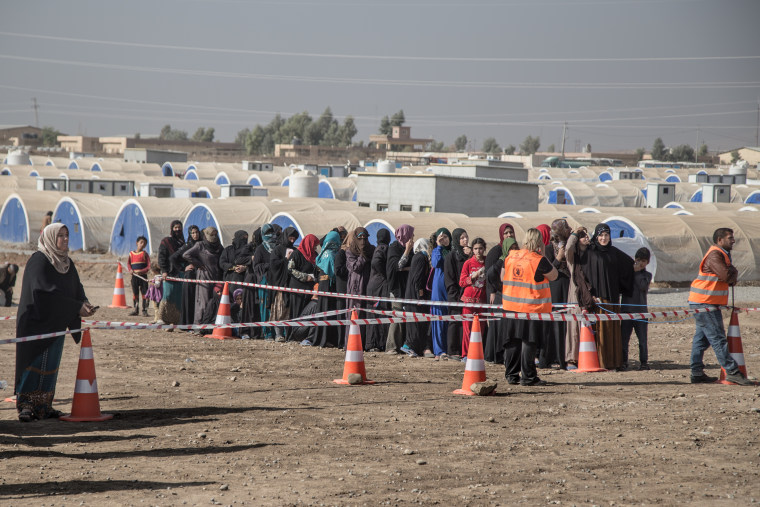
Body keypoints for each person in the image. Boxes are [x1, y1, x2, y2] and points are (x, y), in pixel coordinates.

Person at [15, 223, 97, 422]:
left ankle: (44, 406)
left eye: (67, 235)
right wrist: (75, 307)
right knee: (33, 363)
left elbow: (75, 287)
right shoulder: (39, 261)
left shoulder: (66, 263)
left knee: (51, 364)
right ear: (51, 238)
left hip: (56, 323)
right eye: (60, 235)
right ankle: (26, 405)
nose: (65, 239)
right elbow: (44, 294)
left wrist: (83, 302)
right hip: (36, 323)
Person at [688, 228, 752, 385]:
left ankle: (696, 373)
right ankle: (732, 371)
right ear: (719, 240)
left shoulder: (721, 254)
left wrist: (732, 273)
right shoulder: (715, 254)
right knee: (717, 337)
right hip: (705, 302)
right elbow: (726, 276)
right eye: (730, 238)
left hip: (704, 301)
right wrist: (733, 272)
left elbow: (729, 276)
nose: (733, 240)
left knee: (701, 339)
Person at [500, 228, 558, 386]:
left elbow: (502, 276)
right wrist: (544, 253)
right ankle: (528, 377)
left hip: (510, 306)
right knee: (528, 341)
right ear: (539, 242)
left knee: (512, 341)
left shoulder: (511, 256)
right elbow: (554, 276)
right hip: (530, 308)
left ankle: (511, 376)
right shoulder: (539, 259)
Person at [581, 224, 634, 371]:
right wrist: (590, 295)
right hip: (599, 299)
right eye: (601, 235)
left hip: (613, 298)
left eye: (607, 235)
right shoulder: (591, 252)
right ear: (596, 236)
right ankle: (602, 362)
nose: (604, 238)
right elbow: (585, 274)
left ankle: (615, 362)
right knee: (602, 330)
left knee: (613, 331)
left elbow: (629, 264)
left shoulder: (613, 252)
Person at [540, 219, 572, 370]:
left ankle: (566, 357)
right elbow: (548, 270)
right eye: (565, 228)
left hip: (568, 286)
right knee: (554, 323)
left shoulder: (571, 245)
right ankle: (552, 357)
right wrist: (559, 257)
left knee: (567, 322)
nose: (568, 229)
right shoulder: (547, 249)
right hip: (554, 288)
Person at [484, 224, 515, 363]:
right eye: (506, 233)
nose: (509, 235)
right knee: (496, 326)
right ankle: (493, 355)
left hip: (510, 294)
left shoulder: (514, 250)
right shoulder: (496, 251)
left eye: (511, 232)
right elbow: (489, 272)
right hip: (496, 294)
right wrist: (492, 290)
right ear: (501, 234)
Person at [564, 226, 593, 370]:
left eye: (587, 235)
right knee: (573, 328)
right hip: (575, 295)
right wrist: (575, 233)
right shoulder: (572, 258)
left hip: (590, 296)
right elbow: (568, 247)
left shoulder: (592, 254)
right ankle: (571, 359)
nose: (586, 237)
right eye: (583, 236)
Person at [183, 226, 223, 325]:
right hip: (204, 277)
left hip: (216, 277)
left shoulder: (218, 246)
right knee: (203, 303)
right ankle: (199, 325)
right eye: (211, 234)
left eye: (215, 234)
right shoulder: (200, 245)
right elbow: (186, 255)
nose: (214, 236)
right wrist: (198, 264)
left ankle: (210, 324)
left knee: (213, 301)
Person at [621, 247, 652, 370]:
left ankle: (644, 362)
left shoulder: (647, 275)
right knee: (624, 339)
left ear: (647, 262)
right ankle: (623, 361)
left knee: (642, 340)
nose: (641, 263)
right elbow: (622, 285)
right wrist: (631, 272)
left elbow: (643, 286)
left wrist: (638, 272)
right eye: (639, 260)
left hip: (641, 312)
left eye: (644, 261)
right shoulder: (627, 273)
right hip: (626, 311)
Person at [385, 224, 414, 354]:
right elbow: (396, 267)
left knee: (404, 317)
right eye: (411, 235)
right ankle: (391, 347)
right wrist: (407, 251)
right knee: (396, 317)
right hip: (396, 288)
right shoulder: (394, 248)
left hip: (406, 287)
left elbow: (411, 266)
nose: (412, 238)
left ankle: (401, 345)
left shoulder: (410, 249)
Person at [345, 227, 375, 348]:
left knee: (365, 313)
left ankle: (364, 342)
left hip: (368, 283)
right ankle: (351, 343)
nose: (362, 241)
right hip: (355, 285)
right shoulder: (350, 251)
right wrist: (363, 255)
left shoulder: (372, 249)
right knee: (354, 312)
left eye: (365, 238)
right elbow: (355, 267)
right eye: (360, 238)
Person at [401, 237, 431, 357]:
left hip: (412, 293)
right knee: (415, 321)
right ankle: (409, 346)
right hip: (415, 295)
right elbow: (418, 279)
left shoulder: (418, 257)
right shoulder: (421, 258)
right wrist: (420, 295)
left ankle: (413, 347)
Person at [313, 230, 343, 348]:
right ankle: (327, 339)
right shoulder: (332, 255)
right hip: (330, 288)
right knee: (329, 313)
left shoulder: (322, 254)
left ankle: (320, 338)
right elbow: (334, 273)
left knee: (322, 311)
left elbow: (316, 272)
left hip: (322, 287)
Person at [287, 233, 319, 340]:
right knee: (296, 312)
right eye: (313, 245)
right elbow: (290, 269)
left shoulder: (315, 255)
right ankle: (292, 336)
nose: (314, 248)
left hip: (309, 289)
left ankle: (302, 335)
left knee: (305, 313)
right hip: (297, 289)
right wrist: (305, 277)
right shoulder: (297, 254)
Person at [270, 226, 299, 341]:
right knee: (279, 309)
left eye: (294, 239)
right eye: (290, 238)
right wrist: (285, 260)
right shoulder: (277, 250)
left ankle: (288, 335)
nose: (292, 241)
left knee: (288, 311)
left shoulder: (295, 250)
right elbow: (273, 266)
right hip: (279, 285)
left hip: (290, 284)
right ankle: (278, 334)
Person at [459, 237, 487, 359]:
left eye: (480, 248)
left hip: (482, 300)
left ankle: (477, 354)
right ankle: (465, 355)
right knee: (467, 329)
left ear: (484, 249)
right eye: (475, 249)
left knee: (481, 328)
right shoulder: (468, 263)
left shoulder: (487, 262)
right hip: (469, 299)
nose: (478, 251)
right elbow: (462, 282)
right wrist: (473, 276)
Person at [444, 228, 469, 359]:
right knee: (454, 322)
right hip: (455, 294)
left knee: (464, 323)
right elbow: (449, 278)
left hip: (467, 295)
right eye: (462, 238)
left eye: (466, 237)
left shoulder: (469, 255)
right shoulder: (451, 256)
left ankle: (462, 349)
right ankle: (452, 350)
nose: (465, 240)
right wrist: (455, 295)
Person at [365, 229, 392, 351]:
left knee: (374, 313)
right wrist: (385, 274)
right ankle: (376, 343)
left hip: (374, 285)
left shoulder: (378, 247)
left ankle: (374, 343)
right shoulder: (383, 248)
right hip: (379, 286)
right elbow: (376, 262)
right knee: (379, 312)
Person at [251, 223, 279, 340]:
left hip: (277, 281)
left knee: (277, 308)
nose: (270, 235)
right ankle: (267, 333)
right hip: (264, 281)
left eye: (271, 232)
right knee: (265, 308)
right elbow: (256, 266)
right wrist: (269, 265)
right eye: (267, 233)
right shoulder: (260, 249)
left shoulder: (278, 247)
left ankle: (278, 333)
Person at [156, 220, 185, 326]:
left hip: (180, 273)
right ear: (172, 229)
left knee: (178, 296)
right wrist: (164, 271)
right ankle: (162, 318)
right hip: (170, 272)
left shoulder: (183, 242)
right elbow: (162, 257)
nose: (177, 229)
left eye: (179, 227)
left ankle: (176, 319)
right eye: (175, 227)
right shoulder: (166, 241)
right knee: (168, 295)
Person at [171, 225, 200, 328]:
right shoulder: (188, 245)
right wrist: (183, 269)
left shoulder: (202, 244)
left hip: (200, 275)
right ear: (189, 234)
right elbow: (173, 258)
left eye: (196, 232)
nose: (195, 235)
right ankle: (186, 323)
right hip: (190, 275)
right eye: (193, 233)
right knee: (189, 299)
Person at [429, 227, 452, 359]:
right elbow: (436, 263)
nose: (444, 239)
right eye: (441, 237)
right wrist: (438, 246)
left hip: (450, 290)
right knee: (438, 320)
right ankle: (439, 351)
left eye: (446, 237)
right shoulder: (437, 251)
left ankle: (449, 348)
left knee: (450, 320)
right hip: (439, 290)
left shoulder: (453, 251)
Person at [127, 236, 151, 317]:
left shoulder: (145, 254)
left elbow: (148, 266)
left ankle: (144, 310)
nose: (142, 244)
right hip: (134, 277)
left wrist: (142, 271)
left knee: (145, 294)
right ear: (137, 243)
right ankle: (135, 309)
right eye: (141, 242)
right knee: (135, 293)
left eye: (144, 243)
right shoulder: (131, 254)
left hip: (143, 277)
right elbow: (128, 264)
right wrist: (130, 270)